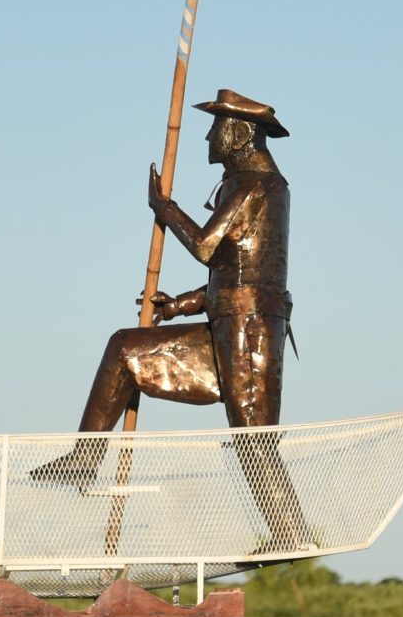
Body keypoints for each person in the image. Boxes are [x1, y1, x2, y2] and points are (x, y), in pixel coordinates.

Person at [31, 88, 316, 553]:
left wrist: (164, 208)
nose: (208, 138)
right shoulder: (246, 184)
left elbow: (207, 249)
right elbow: (236, 272)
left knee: (253, 440)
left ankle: (291, 535)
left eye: (216, 128)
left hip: (250, 333)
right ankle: (84, 460)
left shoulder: (257, 186)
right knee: (125, 349)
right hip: (227, 322)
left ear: (240, 133)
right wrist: (180, 306)